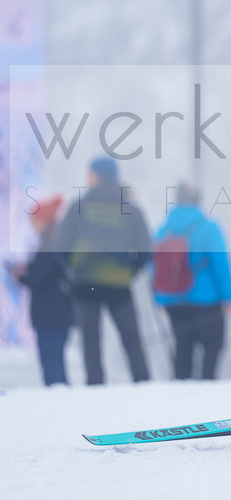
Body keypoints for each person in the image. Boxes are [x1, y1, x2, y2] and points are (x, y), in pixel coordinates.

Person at [54, 157, 151, 384]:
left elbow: (60, 248)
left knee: (91, 340)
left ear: (96, 176)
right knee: (131, 339)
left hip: (84, 283)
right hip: (119, 283)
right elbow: (146, 250)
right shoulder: (131, 209)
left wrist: (71, 271)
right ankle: (143, 381)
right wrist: (129, 273)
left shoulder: (78, 206)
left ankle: (95, 384)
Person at [153, 182, 231, 380]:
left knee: (182, 347)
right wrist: (230, 296)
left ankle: (181, 391)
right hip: (208, 301)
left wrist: (161, 298)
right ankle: (208, 385)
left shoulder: (163, 230)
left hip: (174, 301)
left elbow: (155, 266)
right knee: (213, 346)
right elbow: (220, 264)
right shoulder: (209, 228)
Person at [12, 195, 73, 385]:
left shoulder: (48, 244)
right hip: (60, 311)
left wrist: (21, 276)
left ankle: (58, 399)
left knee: (51, 362)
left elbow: (39, 279)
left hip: (50, 313)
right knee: (56, 361)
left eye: (34, 221)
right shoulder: (57, 239)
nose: (32, 225)